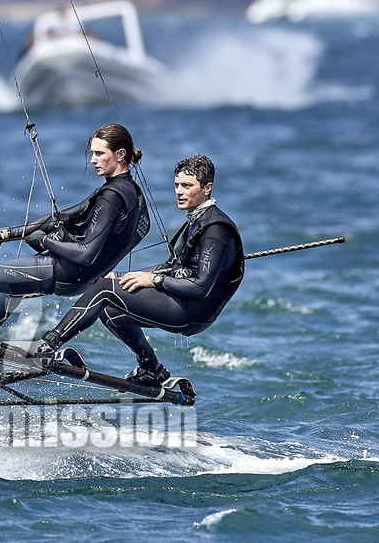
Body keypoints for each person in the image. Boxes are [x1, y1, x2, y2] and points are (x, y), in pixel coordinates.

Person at [0, 123, 149, 349]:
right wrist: (4, 235)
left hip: (68, 270)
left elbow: (85, 253)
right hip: (84, 278)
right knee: (15, 283)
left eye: (99, 153)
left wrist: (45, 242)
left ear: (120, 154)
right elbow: (59, 218)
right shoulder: (131, 192)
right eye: (92, 153)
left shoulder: (111, 196)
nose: (93, 160)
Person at [31, 154, 244, 387]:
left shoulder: (216, 229)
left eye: (187, 186)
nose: (179, 192)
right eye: (176, 185)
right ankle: (151, 368)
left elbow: (200, 286)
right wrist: (123, 277)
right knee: (110, 307)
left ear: (207, 188)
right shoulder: (197, 219)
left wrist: (154, 281)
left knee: (103, 289)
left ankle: (48, 345)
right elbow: (172, 266)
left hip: (194, 310)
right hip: (183, 299)